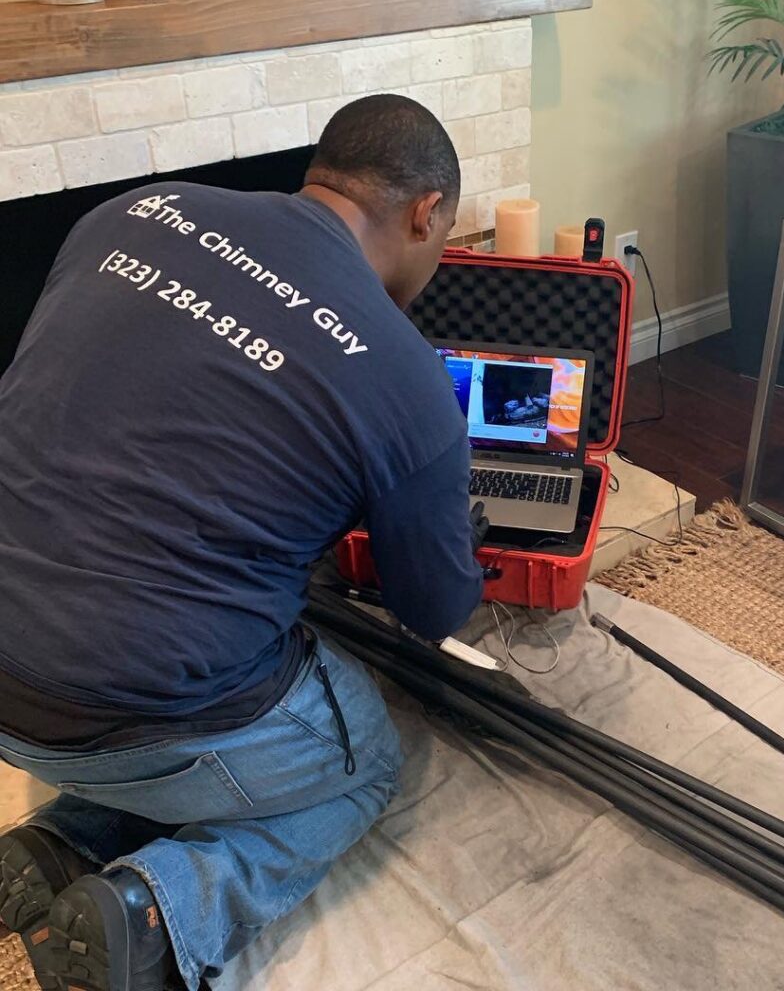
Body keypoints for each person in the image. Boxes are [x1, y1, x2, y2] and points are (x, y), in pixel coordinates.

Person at [0, 94, 485, 991]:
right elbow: (435, 609)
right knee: (369, 760)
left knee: (159, 713)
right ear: (428, 212)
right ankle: (158, 910)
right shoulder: (405, 372)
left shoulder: (129, 213)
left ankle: (64, 839)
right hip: (133, 712)